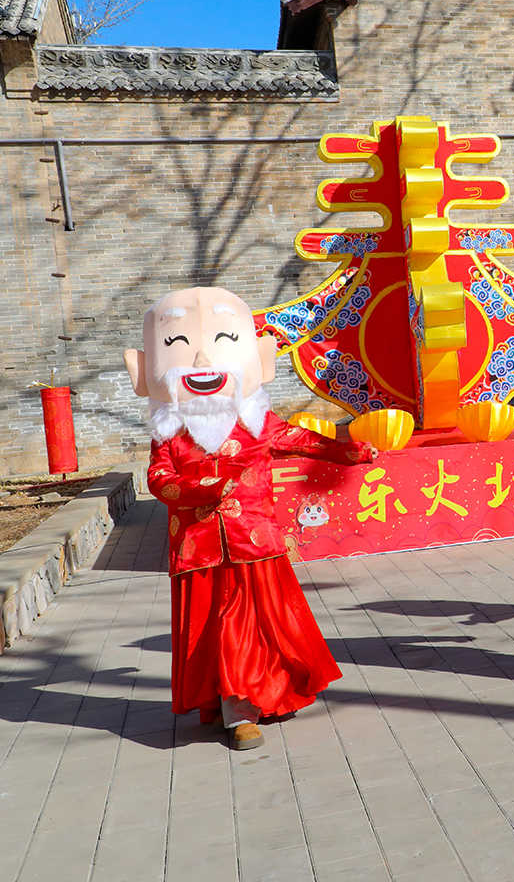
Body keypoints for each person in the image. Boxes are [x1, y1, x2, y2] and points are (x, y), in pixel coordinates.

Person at [125, 286, 374, 750]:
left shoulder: (257, 422)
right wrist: (206, 487)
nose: (202, 361)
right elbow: (159, 480)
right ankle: (237, 711)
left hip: (254, 542)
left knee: (263, 627)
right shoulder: (169, 433)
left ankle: (261, 697)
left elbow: (304, 440)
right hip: (199, 549)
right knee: (219, 630)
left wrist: (352, 451)